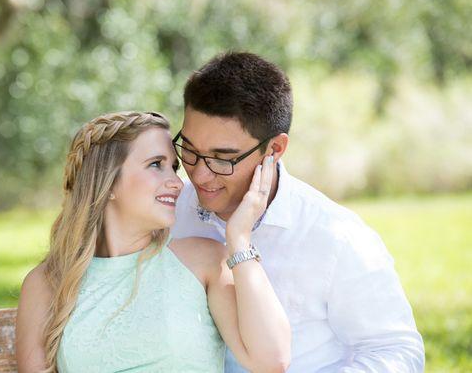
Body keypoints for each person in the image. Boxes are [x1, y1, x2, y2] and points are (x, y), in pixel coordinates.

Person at [171, 52, 425, 372]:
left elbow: (396, 352)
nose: (199, 175)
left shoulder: (337, 237)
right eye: (190, 151)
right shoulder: (166, 213)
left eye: (223, 159)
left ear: (275, 149)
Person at [15, 111, 291, 372]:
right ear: (108, 183)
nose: (177, 182)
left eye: (174, 167)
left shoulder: (203, 260)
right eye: (156, 165)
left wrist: (239, 239)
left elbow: (272, 361)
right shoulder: (47, 283)